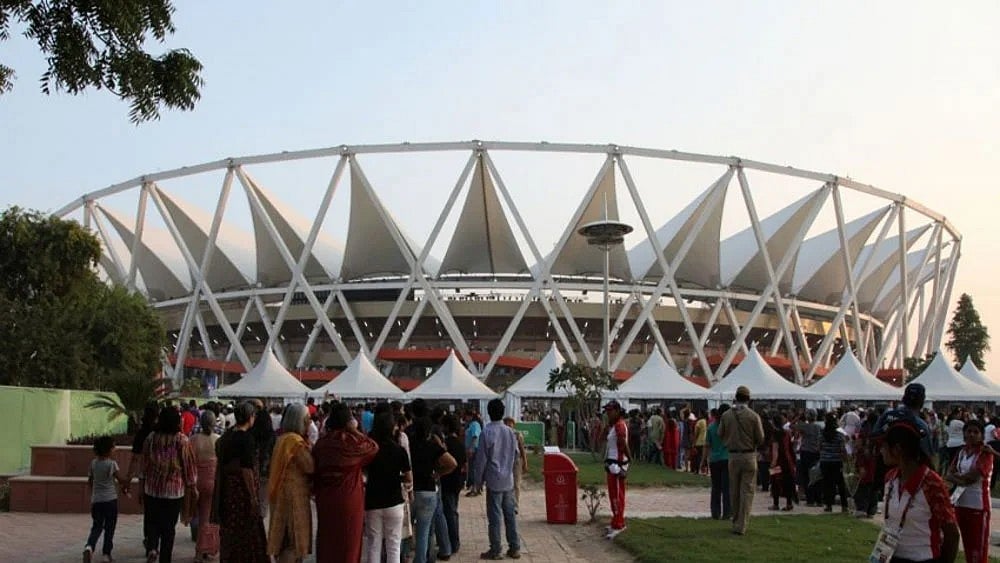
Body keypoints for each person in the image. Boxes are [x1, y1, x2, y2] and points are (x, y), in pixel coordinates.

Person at [874, 421, 959, 563]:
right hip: (891, 556)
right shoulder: (890, 478)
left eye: (883, 447)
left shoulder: (931, 483)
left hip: (923, 558)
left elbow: (952, 534)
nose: (881, 451)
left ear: (897, 449)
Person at [312, 402, 379, 563]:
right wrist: (354, 430)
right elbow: (373, 447)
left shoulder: (322, 443)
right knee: (350, 542)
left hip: (326, 498)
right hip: (349, 498)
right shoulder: (352, 443)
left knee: (327, 541)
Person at [139, 406, 198, 563]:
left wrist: (141, 487)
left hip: (152, 489)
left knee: (152, 522)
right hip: (174, 492)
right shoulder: (182, 440)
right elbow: (189, 467)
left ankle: (152, 547)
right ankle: (165, 558)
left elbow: (143, 465)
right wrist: (192, 487)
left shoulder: (151, 438)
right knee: (168, 528)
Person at [212, 401, 269, 563]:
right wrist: (252, 497)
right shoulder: (246, 439)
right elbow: (246, 470)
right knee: (247, 532)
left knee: (231, 530)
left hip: (228, 491)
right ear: (250, 417)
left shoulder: (227, 436)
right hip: (241, 493)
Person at [267, 404, 315, 563]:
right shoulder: (295, 442)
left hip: (281, 494)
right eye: (307, 419)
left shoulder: (282, 439)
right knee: (294, 543)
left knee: (284, 541)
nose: (309, 422)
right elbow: (310, 466)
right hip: (294, 497)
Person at [474, 398, 521, 559]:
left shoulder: (486, 432)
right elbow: (516, 454)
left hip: (494, 480)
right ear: (503, 413)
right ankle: (514, 547)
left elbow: (481, 460)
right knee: (510, 515)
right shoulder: (510, 431)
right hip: (508, 480)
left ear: (489, 412)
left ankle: (495, 549)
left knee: (494, 517)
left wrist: (477, 481)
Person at [363, 412, 412, 563]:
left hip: (373, 500)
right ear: (392, 428)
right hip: (394, 500)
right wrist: (396, 477)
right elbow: (408, 477)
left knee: (374, 544)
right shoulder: (399, 450)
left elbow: (363, 473)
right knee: (394, 545)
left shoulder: (369, 450)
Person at [718, 385, 764, 536]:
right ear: (749, 399)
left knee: (734, 490)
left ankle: (735, 520)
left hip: (732, 455)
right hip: (749, 456)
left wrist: (729, 441)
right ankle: (741, 525)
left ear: (735, 397)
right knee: (747, 491)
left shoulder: (726, 415)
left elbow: (720, 434)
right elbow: (760, 438)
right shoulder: (753, 416)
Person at [409, 415, 456, 563]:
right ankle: (422, 559)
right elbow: (452, 463)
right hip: (428, 490)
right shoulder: (432, 446)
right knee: (424, 531)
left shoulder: (409, 445)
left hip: (410, 490)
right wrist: (438, 474)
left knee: (406, 530)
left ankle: (402, 556)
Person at [944, 419, 993, 563]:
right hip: (960, 505)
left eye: (976, 432)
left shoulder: (985, 453)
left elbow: (972, 477)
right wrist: (958, 478)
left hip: (978, 507)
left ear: (982, 436)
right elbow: (949, 473)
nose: (972, 435)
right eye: (969, 431)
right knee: (966, 546)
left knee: (978, 550)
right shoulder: (961, 452)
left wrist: (957, 478)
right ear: (964, 434)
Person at [83, 436, 127, 563]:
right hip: (110, 500)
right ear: (108, 450)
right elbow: (120, 480)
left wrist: (94, 494)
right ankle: (106, 554)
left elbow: (90, 481)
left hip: (97, 500)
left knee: (96, 526)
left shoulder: (93, 463)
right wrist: (128, 480)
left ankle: (89, 546)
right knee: (109, 527)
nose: (115, 449)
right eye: (113, 447)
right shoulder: (112, 464)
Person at [191, 411, 220, 561]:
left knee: (198, 516)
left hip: (196, 481)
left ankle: (200, 551)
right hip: (212, 481)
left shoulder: (194, 440)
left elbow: (190, 462)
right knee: (207, 518)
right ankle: (204, 549)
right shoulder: (218, 440)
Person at [602, 400, 631, 539]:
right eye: (607, 411)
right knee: (613, 495)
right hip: (612, 464)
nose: (608, 414)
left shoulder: (619, 426)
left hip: (617, 465)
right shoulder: (614, 425)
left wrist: (629, 460)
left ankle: (619, 524)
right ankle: (615, 521)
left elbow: (622, 444)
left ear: (618, 411)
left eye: (610, 411)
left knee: (618, 496)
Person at [440, 414, 467, 555]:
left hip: (447, 482)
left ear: (447, 427)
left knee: (449, 514)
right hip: (457, 482)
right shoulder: (460, 443)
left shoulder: (446, 444)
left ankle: (453, 543)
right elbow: (464, 463)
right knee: (453, 512)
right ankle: (453, 541)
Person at [702, 405, 731, 520]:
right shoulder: (729, 428)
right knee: (726, 488)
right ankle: (727, 512)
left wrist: (703, 460)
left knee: (716, 487)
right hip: (727, 459)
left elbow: (707, 445)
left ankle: (715, 512)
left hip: (714, 460)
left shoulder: (711, 427)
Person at [792, 409, 823, 506]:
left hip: (806, 453)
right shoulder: (819, 427)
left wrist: (799, 416)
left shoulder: (805, 426)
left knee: (806, 477)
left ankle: (810, 500)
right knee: (816, 476)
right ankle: (819, 500)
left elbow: (790, 426)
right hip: (816, 453)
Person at [819, 413, 848, 513]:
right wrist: (845, 460)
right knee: (840, 483)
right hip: (837, 461)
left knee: (827, 484)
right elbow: (842, 449)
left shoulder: (822, 433)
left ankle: (828, 505)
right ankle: (844, 506)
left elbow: (819, 446)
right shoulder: (839, 435)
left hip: (825, 461)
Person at [768, 413, 796, 512]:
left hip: (778, 462)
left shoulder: (775, 434)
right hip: (788, 461)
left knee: (775, 482)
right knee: (787, 482)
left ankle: (775, 504)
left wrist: (772, 463)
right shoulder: (787, 433)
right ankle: (789, 503)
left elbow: (775, 450)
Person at [503, 417, 528, 512]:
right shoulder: (502, 435)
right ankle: (507, 504)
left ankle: (515, 505)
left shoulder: (517, 435)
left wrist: (525, 462)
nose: (508, 425)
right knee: (507, 484)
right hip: (505, 461)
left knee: (516, 483)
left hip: (516, 460)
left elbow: (522, 449)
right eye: (506, 423)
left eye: (510, 423)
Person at [464, 410, 483, 497]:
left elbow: (475, 436)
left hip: (474, 449)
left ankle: (475, 488)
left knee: (474, 469)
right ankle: (474, 487)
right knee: (471, 469)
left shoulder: (475, 424)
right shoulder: (470, 425)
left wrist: (471, 449)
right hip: (471, 449)